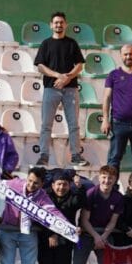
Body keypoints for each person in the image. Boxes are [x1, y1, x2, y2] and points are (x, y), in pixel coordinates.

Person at [34, 12, 88, 167]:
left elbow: (79, 65)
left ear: (65, 24)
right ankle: (44, 155)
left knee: (73, 124)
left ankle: (76, 155)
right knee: (46, 124)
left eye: (61, 22)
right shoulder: (46, 44)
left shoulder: (72, 43)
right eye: (56, 22)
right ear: (51, 25)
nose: (59, 25)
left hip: (70, 89)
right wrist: (58, 75)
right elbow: (40, 66)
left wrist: (68, 77)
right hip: (51, 89)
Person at [0, 167, 47, 264]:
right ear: (26, 178)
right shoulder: (14, 183)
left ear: (42, 184)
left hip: (28, 232)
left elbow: (53, 214)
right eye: (30, 180)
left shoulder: (44, 196)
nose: (31, 185)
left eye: (36, 183)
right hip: (8, 229)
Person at [74, 165, 125, 264]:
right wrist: (96, 237)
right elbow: (84, 220)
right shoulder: (91, 193)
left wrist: (103, 237)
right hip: (86, 235)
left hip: (105, 236)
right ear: (99, 177)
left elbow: (113, 221)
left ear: (115, 179)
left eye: (110, 178)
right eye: (104, 177)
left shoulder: (118, 197)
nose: (107, 181)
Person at [37, 170, 83, 264]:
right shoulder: (45, 197)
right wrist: (51, 234)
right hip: (46, 240)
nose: (61, 187)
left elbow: (83, 204)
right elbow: (39, 218)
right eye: (58, 184)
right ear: (52, 185)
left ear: (69, 185)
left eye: (64, 184)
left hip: (65, 242)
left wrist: (79, 187)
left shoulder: (73, 197)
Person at [102, 43, 132, 171]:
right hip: (118, 123)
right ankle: (111, 184)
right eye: (125, 54)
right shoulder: (113, 75)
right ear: (121, 56)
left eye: (131, 54)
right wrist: (105, 120)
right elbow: (106, 98)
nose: (128, 57)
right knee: (114, 159)